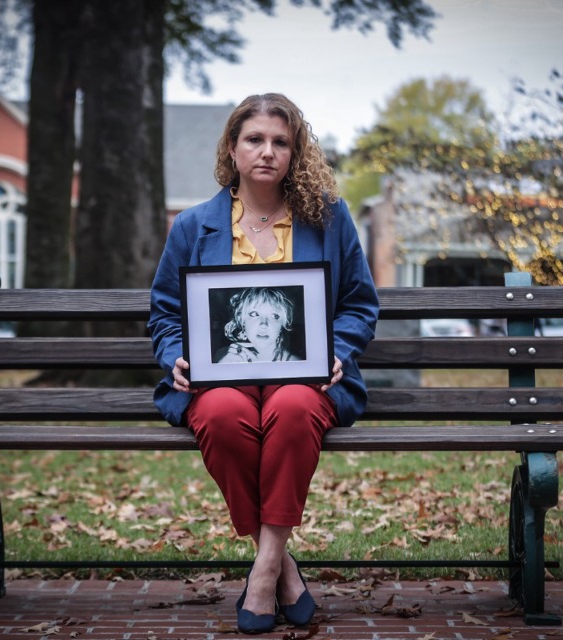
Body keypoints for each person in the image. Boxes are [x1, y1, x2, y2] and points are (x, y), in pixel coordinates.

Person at [148, 93, 379, 634]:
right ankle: (282, 565)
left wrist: (337, 352)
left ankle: (263, 571)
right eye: (255, 139)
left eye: (280, 141)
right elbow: (164, 312)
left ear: (295, 152)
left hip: (304, 378)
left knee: (297, 407)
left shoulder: (328, 216)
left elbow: (359, 305)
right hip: (221, 378)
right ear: (233, 147)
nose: (267, 152)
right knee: (221, 415)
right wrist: (175, 355)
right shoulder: (193, 226)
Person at [216, 287, 300, 363]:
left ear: (282, 325)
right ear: (242, 321)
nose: (264, 325)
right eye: (254, 314)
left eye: (274, 316)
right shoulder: (222, 355)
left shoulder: (296, 364)